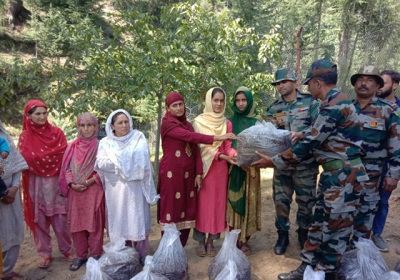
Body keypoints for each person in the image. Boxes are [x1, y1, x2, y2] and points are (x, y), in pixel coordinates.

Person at [251, 60, 368, 280]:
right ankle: (306, 268)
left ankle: (327, 273)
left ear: (317, 83)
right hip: (333, 176)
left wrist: (273, 161)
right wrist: (301, 135)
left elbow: (310, 143)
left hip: (343, 177)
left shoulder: (333, 105)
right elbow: (316, 134)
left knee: (335, 231)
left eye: (309, 84)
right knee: (320, 223)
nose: (308, 88)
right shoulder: (332, 102)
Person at [158, 91, 235, 248]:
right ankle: (168, 250)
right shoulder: (167, 124)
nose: (179, 108)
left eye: (181, 104)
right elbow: (190, 137)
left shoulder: (187, 124)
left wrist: (199, 173)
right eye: (174, 105)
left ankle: (181, 248)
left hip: (189, 175)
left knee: (188, 210)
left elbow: (195, 150)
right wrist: (217, 137)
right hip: (171, 176)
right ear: (168, 108)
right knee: (171, 211)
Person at [266, 68, 319, 255]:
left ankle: (303, 233)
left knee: (306, 202)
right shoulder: (274, 108)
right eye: (278, 83)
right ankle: (283, 235)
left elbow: (319, 129)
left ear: (295, 82)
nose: (281, 86)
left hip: (306, 165)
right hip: (283, 166)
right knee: (281, 202)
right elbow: (270, 136)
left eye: (284, 82)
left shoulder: (311, 103)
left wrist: (301, 134)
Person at [94, 109, 159, 258]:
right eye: (120, 123)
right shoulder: (106, 142)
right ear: (112, 126)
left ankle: (142, 255)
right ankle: (124, 258)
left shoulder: (138, 137)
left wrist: (118, 162)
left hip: (136, 190)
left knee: (138, 219)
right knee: (120, 221)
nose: (124, 125)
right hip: (116, 191)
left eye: (126, 122)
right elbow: (101, 163)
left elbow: (142, 160)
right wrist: (126, 162)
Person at [18, 100, 74, 269]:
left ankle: (66, 249)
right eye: (37, 114)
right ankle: (45, 254)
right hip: (36, 185)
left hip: (56, 183)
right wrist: (43, 160)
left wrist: (43, 159)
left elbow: (64, 156)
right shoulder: (25, 137)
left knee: (61, 218)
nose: (42, 117)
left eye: (44, 113)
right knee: (39, 219)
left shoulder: (57, 133)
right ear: (28, 116)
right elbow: (24, 160)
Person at [350, 66, 400, 248]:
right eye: (360, 80)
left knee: (366, 213)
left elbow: (396, 144)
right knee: (342, 214)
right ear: (355, 84)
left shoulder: (388, 111)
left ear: (378, 85)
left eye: (370, 80)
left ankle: (358, 255)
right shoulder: (346, 109)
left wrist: (393, 174)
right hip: (345, 171)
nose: (364, 83)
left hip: (372, 172)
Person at [192, 87, 237, 257]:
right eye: (215, 100)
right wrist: (223, 156)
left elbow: (228, 147)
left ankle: (211, 241)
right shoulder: (198, 122)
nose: (218, 104)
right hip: (203, 170)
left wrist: (234, 155)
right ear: (209, 101)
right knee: (202, 207)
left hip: (220, 171)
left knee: (217, 206)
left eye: (221, 101)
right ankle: (200, 241)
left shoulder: (227, 123)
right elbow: (199, 148)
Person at [59, 112, 105, 271]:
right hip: (75, 193)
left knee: (94, 224)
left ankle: (97, 254)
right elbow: (67, 169)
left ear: (96, 127)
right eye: (82, 125)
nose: (86, 129)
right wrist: (71, 184)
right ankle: (81, 256)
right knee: (77, 226)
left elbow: (104, 169)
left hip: (94, 190)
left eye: (89, 125)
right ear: (78, 127)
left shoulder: (102, 146)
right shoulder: (72, 146)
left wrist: (88, 182)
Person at [226, 86, 263, 256]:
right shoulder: (229, 121)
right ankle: (233, 239)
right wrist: (238, 158)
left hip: (252, 169)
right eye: (237, 100)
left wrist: (249, 158)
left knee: (249, 203)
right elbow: (228, 143)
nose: (241, 104)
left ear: (249, 101)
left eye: (244, 100)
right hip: (235, 167)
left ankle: (245, 240)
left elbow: (261, 143)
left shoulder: (257, 121)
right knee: (234, 203)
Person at [371, 70, 400, 252]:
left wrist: (395, 172)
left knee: (382, 200)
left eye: (384, 82)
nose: (379, 86)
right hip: (370, 162)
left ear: (395, 85)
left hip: (390, 164)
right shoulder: (370, 105)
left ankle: (376, 234)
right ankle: (358, 234)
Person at [0, 121, 28, 279]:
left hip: (11, 194)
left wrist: (15, 187)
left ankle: (8, 270)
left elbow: (16, 166)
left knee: (14, 229)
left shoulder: (5, 138)